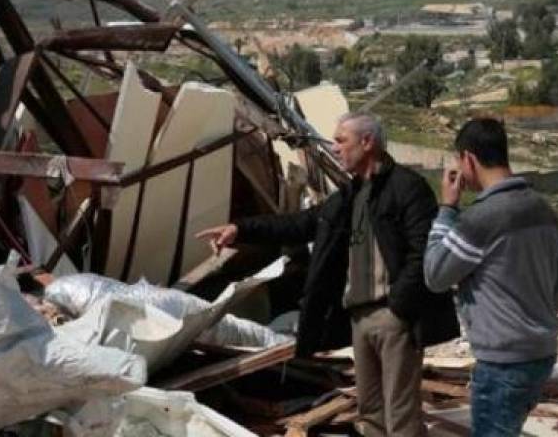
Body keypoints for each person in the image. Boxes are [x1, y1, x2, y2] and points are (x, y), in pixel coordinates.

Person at [196, 113, 458, 437]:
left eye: (341, 140)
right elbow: (300, 223)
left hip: (393, 316)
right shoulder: (350, 196)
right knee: (371, 413)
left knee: (401, 415)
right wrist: (241, 229)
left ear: (368, 142)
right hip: (359, 319)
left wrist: (399, 306)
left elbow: (424, 253)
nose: (334, 148)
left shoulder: (407, 188)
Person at [424, 118, 558, 437]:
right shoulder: (544, 211)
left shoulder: (482, 219)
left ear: (468, 160)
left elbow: (435, 274)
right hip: (540, 353)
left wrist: (447, 208)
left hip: (502, 362)